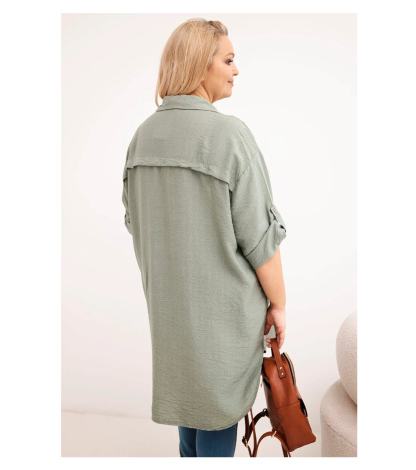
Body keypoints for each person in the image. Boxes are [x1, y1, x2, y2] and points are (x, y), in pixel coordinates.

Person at [122, 18, 287, 457]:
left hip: (171, 317)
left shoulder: (142, 138)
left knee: (190, 420)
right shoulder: (229, 135)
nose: (236, 70)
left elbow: (137, 222)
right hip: (224, 320)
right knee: (215, 415)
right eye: (228, 60)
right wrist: (279, 305)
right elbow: (260, 240)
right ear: (200, 64)